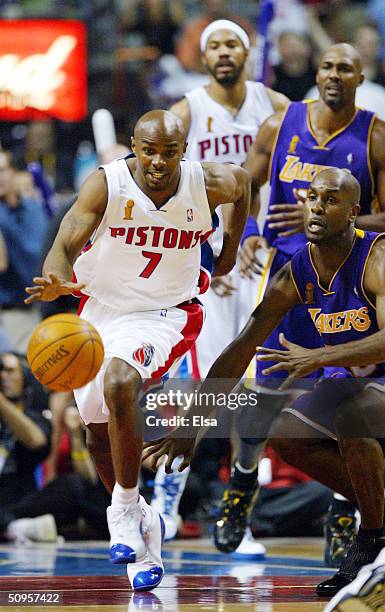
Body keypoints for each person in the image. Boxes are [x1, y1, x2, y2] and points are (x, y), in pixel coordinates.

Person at [24, 109, 250, 591]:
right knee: (98, 435)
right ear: (134, 146)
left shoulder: (206, 182)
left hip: (164, 312)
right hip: (100, 311)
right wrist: (54, 278)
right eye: (149, 150)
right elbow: (66, 238)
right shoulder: (106, 184)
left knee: (121, 382)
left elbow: (244, 182)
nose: (159, 161)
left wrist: (229, 247)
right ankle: (144, 532)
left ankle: (124, 508)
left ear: (183, 151)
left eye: (170, 151)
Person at [143, 167, 385, 597]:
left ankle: (370, 538)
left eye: (330, 200)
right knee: (284, 433)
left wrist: (322, 356)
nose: (316, 206)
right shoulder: (295, 274)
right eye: (311, 197)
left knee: (351, 414)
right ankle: (379, 515)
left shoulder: (377, 259)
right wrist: (193, 425)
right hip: (361, 387)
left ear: (353, 212)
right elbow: (240, 350)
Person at [213, 42, 385, 562]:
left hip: (350, 277)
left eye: (345, 69)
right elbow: (240, 185)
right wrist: (237, 239)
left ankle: (346, 513)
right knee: (261, 396)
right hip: (289, 276)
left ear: (360, 77)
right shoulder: (280, 124)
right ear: (316, 72)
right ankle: (242, 486)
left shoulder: (375, 136)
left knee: (345, 400)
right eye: (327, 66)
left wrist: (349, 223)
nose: (334, 75)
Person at [151, 18, 289, 551]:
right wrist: (209, 253)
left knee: (249, 392)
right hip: (207, 263)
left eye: (233, 43)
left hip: (258, 258)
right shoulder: (186, 111)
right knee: (198, 387)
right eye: (215, 45)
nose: (225, 52)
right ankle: (165, 503)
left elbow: (284, 176)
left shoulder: (275, 106)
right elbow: (164, 187)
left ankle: (240, 516)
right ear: (203, 57)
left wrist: (254, 234)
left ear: (249, 52)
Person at [0, 150, 48, 352]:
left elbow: (45, 250)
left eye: (1, 170)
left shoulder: (33, 206)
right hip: (10, 310)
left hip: (42, 307)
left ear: (13, 172)